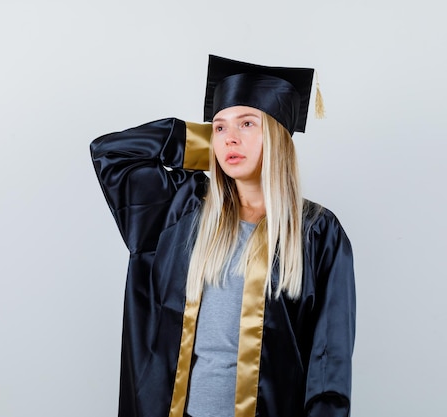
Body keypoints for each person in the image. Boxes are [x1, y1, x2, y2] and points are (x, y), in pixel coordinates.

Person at [90, 55, 355, 417]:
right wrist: (210, 146)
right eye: (219, 127)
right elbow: (112, 153)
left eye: (247, 123)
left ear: (277, 136)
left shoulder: (317, 231)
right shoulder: (183, 214)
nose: (230, 137)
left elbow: (329, 363)